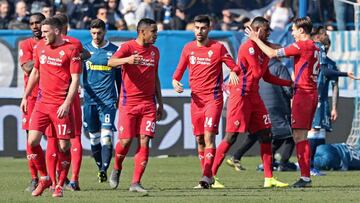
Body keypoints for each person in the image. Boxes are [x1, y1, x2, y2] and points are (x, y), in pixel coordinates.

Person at [212, 17, 291, 188]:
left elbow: (267, 76)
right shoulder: (248, 47)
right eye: (266, 29)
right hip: (240, 95)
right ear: (256, 30)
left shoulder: (262, 47)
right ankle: (210, 177)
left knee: (266, 134)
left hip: (254, 96)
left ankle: (268, 178)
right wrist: (268, 49)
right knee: (231, 136)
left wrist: (290, 83)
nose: (269, 32)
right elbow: (256, 72)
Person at [246, 16, 320, 187]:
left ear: (301, 31)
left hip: (303, 95)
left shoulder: (301, 45)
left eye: (293, 30)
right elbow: (281, 49)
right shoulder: (314, 46)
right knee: (300, 136)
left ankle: (305, 178)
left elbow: (272, 54)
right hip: (311, 93)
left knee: (299, 136)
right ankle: (305, 176)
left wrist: (256, 39)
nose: (292, 33)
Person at [172, 15, 240, 189]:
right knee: (200, 139)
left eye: (203, 28)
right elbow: (178, 73)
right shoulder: (188, 48)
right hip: (196, 101)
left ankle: (205, 176)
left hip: (213, 99)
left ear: (209, 28)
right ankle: (208, 177)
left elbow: (236, 67)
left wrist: (233, 71)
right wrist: (175, 83)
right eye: (196, 28)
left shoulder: (218, 48)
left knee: (209, 136)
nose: (199, 31)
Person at [20, 17, 82, 197]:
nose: (42, 34)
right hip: (41, 103)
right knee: (32, 142)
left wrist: (67, 103)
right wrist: (25, 96)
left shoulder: (71, 50)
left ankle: (60, 185)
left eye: (46, 31)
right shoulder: (40, 48)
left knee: (63, 146)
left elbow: (75, 80)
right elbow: (35, 73)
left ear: (57, 31)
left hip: (60, 104)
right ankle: (45, 177)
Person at [107, 18, 163, 193]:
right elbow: (110, 62)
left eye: (156, 32)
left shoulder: (155, 52)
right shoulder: (128, 47)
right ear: (142, 32)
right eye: (153, 32)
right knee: (125, 141)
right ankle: (117, 167)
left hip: (148, 103)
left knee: (145, 140)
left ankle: (135, 182)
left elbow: (155, 77)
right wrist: (128, 60)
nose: (156, 35)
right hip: (128, 102)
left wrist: (160, 102)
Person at [43, 13, 88, 192]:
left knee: (52, 139)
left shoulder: (46, 44)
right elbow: (88, 54)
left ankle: (52, 179)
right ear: (66, 26)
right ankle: (74, 179)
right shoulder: (74, 43)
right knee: (74, 137)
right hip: (71, 96)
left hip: (50, 97)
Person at [226, 58, 295, 172]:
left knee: (258, 134)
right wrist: (292, 93)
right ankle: (281, 163)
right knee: (290, 134)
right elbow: (287, 90)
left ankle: (237, 156)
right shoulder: (279, 67)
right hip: (276, 106)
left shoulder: (259, 67)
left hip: (260, 104)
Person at [308, 27, 360, 176]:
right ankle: (309, 165)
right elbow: (323, 73)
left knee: (321, 131)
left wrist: (334, 108)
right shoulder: (315, 60)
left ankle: (314, 164)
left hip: (323, 101)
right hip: (313, 99)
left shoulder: (330, 64)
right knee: (313, 130)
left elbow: (335, 86)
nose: (325, 50)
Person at [83, 19, 121, 183]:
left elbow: (119, 78)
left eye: (99, 33)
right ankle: (100, 168)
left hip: (108, 101)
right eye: (93, 33)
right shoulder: (84, 50)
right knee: (94, 137)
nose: (96, 36)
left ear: (105, 32)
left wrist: (120, 96)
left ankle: (104, 169)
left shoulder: (114, 51)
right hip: (89, 101)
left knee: (107, 136)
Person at [18, 12, 46, 192]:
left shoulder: (56, 44)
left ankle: (61, 177)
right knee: (31, 140)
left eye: (38, 23)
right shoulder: (26, 44)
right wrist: (47, 62)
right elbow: (27, 67)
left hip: (52, 96)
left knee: (58, 141)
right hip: (32, 98)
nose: (35, 26)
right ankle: (35, 178)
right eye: (32, 23)